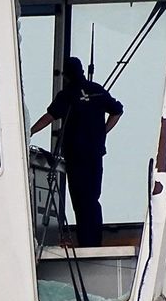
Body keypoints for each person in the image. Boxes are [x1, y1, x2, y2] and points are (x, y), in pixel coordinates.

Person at [29, 56, 123, 248]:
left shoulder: (67, 94)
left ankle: (86, 242)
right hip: (95, 153)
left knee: (80, 199)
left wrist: (28, 132)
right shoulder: (97, 90)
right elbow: (117, 111)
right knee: (93, 198)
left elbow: (50, 116)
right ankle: (94, 242)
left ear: (65, 75)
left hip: (76, 154)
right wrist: (102, 132)